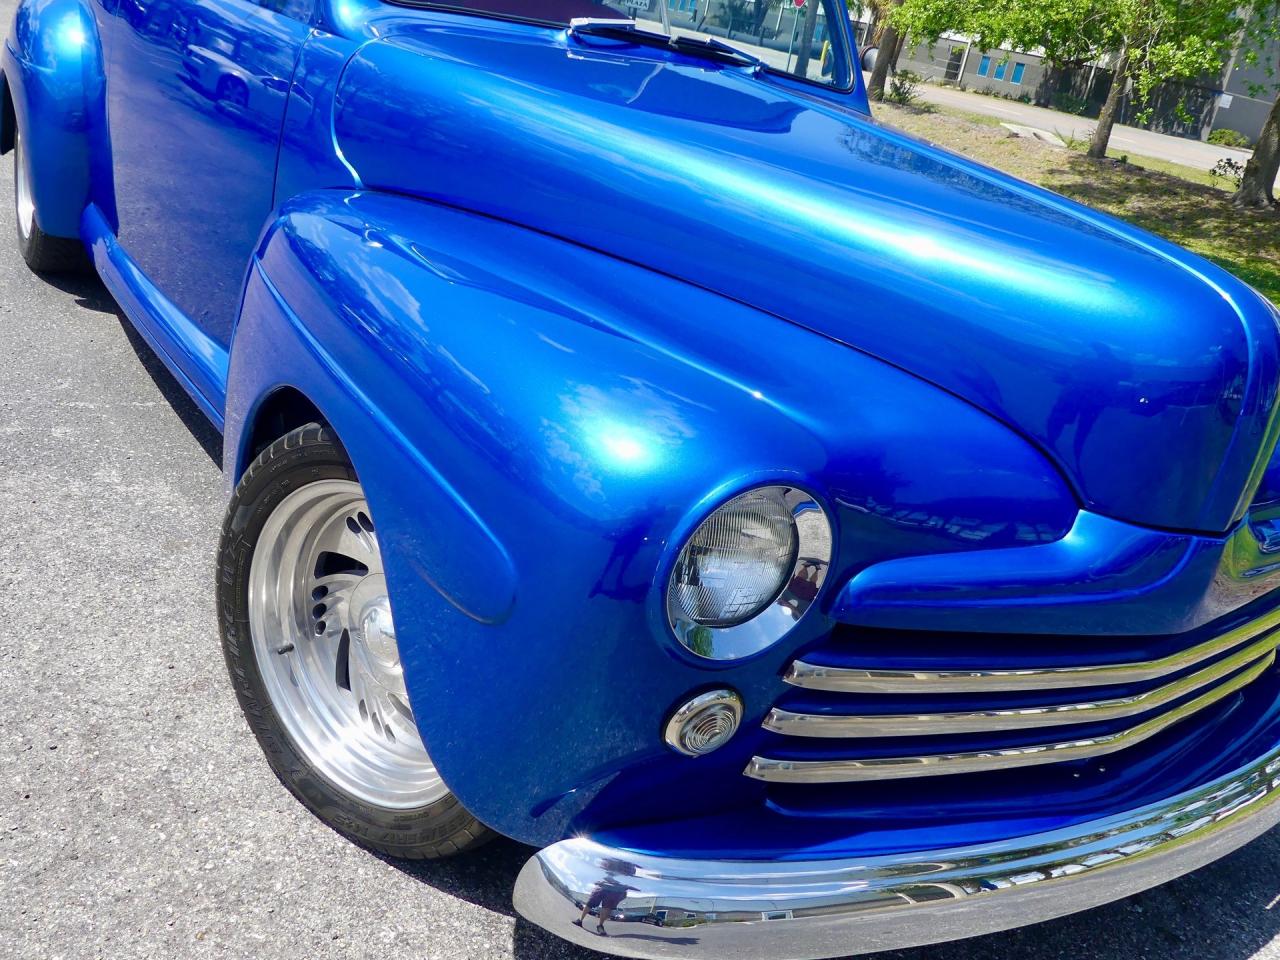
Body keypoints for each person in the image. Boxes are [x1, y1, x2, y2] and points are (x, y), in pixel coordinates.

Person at [573, 873, 638, 936]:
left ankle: (600, 926)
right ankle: (580, 920)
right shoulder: (607, 875)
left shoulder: (621, 876)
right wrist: (600, 882)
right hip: (602, 888)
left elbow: (627, 885)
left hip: (614, 891)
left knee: (606, 908)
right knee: (590, 903)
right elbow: (597, 881)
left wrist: (632, 888)